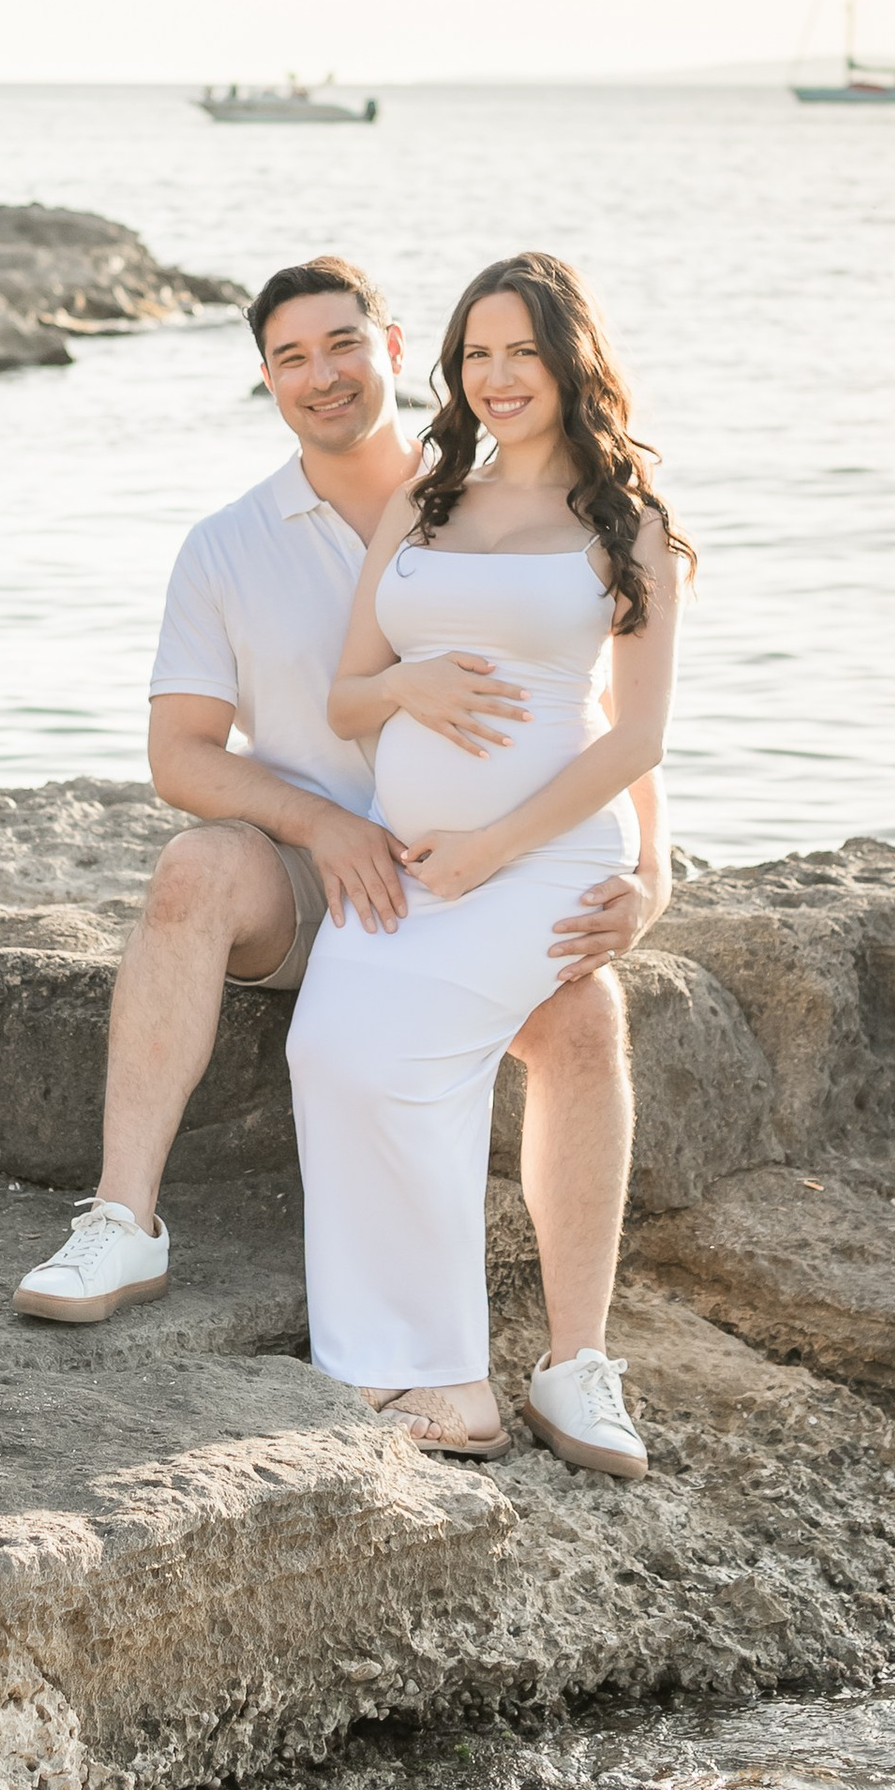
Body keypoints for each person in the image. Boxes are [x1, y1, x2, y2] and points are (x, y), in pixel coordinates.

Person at [14, 254, 667, 1477]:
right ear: (264, 379)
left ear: (388, 346)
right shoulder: (258, 541)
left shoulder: (503, 496)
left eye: (341, 345)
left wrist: (653, 868)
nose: (320, 376)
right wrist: (330, 821)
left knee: (587, 1011)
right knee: (256, 948)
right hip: (340, 875)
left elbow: (608, 714)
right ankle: (138, 1231)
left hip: (493, 867)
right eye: (289, 358)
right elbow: (192, 752)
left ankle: (569, 1364)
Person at [291, 253, 690, 1480]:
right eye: (477, 355)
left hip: (545, 858)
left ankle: (499, 1377)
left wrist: (504, 851)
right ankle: (403, 1366)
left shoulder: (626, 526)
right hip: (415, 865)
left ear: (571, 362)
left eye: (523, 352)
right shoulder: (424, 503)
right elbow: (347, 695)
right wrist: (406, 685)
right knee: (326, 1051)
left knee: (411, 1057)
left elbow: (635, 735)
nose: (499, 377)